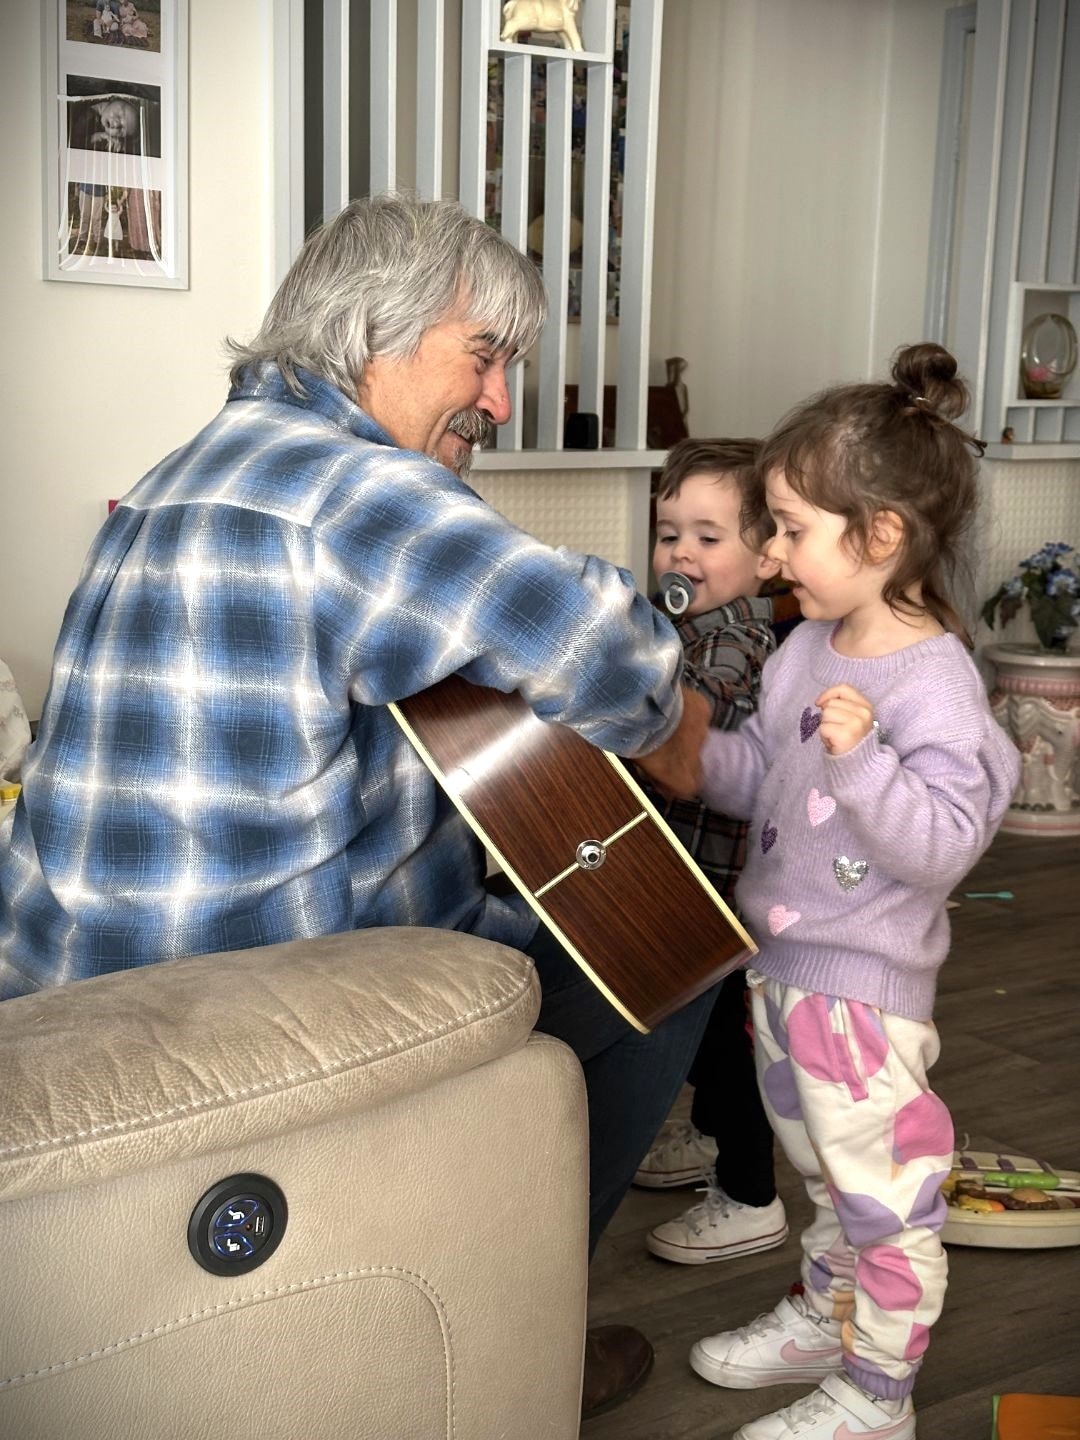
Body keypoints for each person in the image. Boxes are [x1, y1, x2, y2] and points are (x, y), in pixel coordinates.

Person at [0, 193, 716, 1420]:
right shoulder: (354, 492)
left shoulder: (182, 474)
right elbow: (624, 659)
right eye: (483, 357)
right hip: (244, 1006)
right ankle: (524, 1321)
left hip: (63, 996)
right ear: (366, 336)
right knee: (671, 952)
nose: (499, 402)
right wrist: (685, 725)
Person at [667, 343, 1019, 1440]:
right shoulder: (804, 647)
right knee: (825, 1177)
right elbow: (762, 781)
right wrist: (677, 752)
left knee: (886, 1197)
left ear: (881, 536)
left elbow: (948, 843)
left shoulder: (938, 687)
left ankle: (880, 1398)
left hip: (862, 998)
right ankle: (830, 1318)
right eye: (768, 525)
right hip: (778, 967)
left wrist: (868, 763)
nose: (772, 551)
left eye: (790, 528)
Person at [634, 438, 790, 1267]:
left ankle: (751, 1194)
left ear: (766, 558)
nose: (681, 553)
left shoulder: (730, 643)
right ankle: (702, 1140)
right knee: (687, 1024)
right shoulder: (680, 629)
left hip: (720, 883)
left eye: (707, 536)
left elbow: (699, 721)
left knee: (721, 1044)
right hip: (686, 873)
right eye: (668, 534)